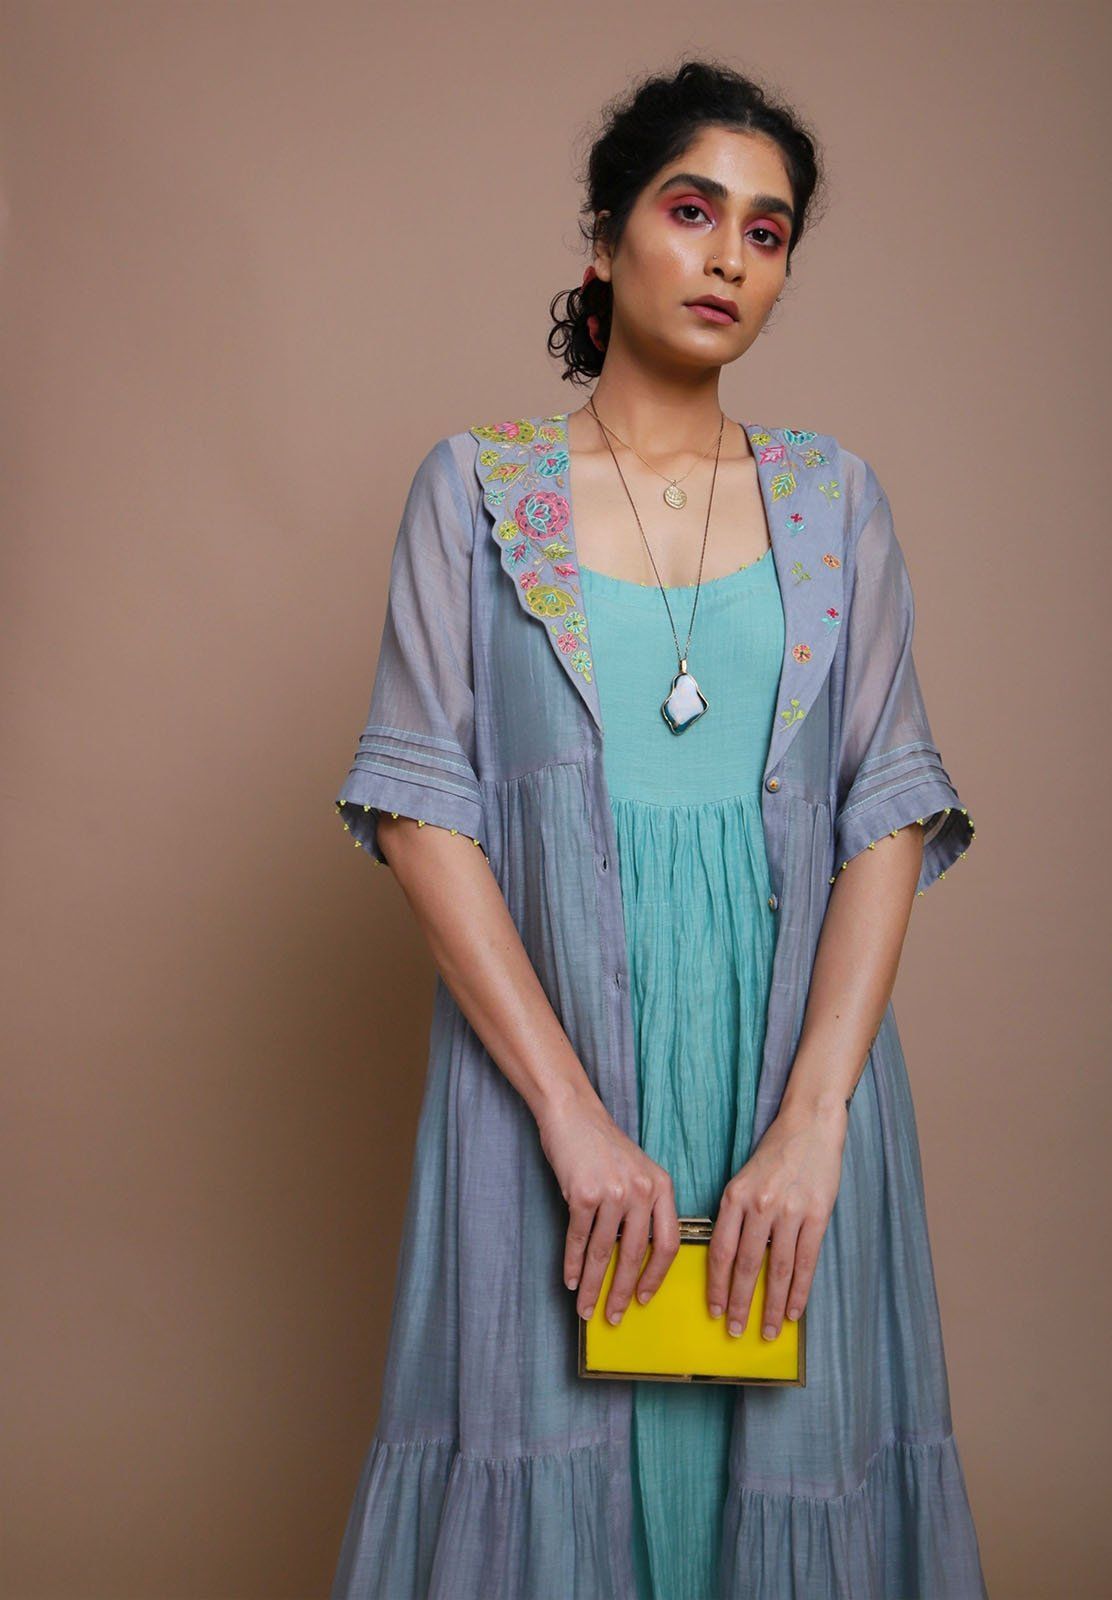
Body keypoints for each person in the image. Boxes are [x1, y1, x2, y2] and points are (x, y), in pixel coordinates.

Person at [330, 57, 988, 1600]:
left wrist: (815, 1126)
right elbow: (421, 811)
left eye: (767, 232)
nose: (728, 257)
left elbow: (886, 812)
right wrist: (569, 1116)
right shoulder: (476, 493)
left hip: (788, 1079)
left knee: (792, 1479)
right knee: (542, 1479)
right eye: (693, 211)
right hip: (543, 1084)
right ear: (605, 236)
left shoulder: (836, 501)